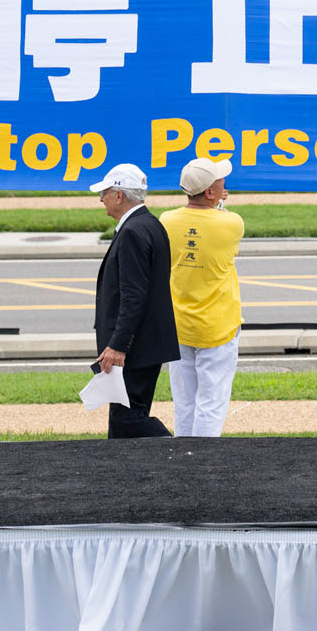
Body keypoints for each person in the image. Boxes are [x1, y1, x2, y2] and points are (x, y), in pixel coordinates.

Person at [89, 163, 178, 439]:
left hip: (136, 347)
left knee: (127, 420)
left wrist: (118, 345)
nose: (100, 199)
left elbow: (133, 295)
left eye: (104, 192)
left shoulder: (132, 232)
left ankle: (179, 449)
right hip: (147, 343)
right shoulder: (150, 224)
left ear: (118, 195)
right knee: (123, 424)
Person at [158, 157, 244, 437]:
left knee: (184, 403)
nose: (224, 183)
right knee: (212, 402)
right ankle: (203, 457)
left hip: (178, 323)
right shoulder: (232, 223)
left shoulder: (167, 220)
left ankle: (184, 453)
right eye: (219, 182)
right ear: (209, 192)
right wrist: (219, 205)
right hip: (217, 326)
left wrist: (214, 203)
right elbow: (219, 222)